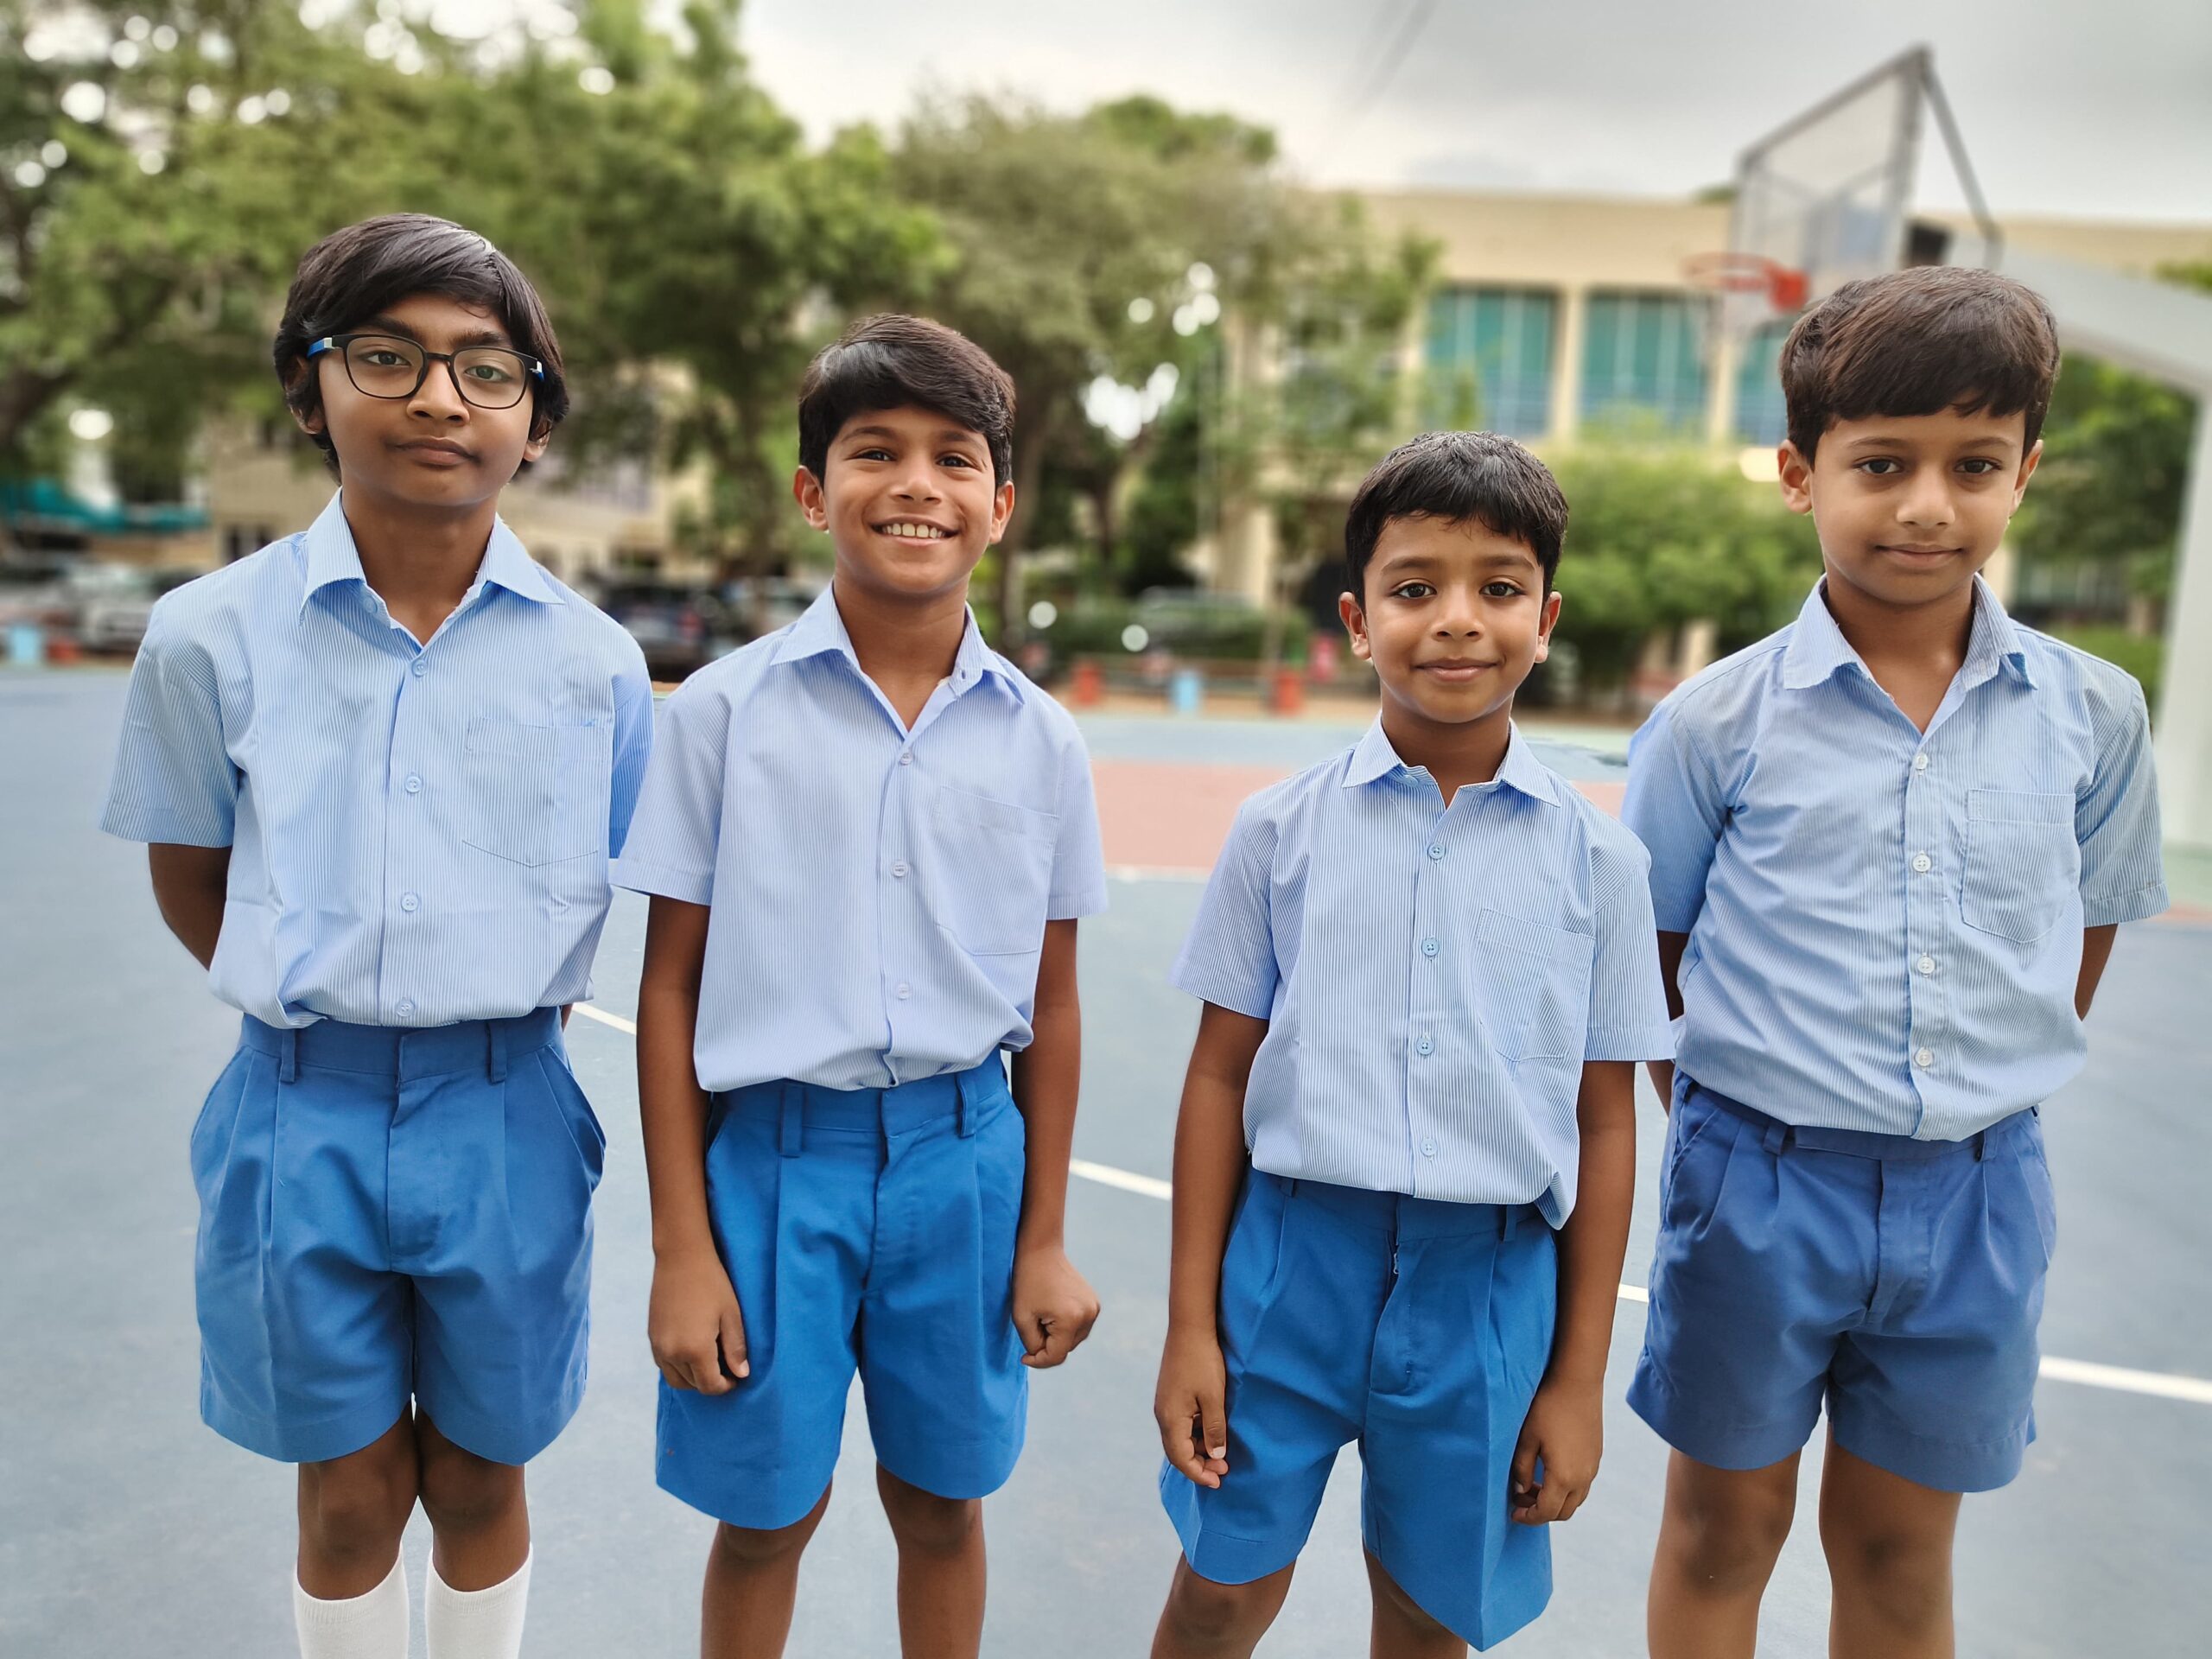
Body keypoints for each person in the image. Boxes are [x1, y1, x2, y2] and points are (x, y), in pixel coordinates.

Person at [99, 213, 653, 1659]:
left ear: (534, 420)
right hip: (301, 1107)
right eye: (388, 357)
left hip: (507, 1107)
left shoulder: (596, 665)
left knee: (480, 1474)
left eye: (487, 369)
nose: (437, 400)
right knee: (347, 1494)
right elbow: (193, 876)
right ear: (310, 386)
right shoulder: (206, 636)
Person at [1625, 265, 2169, 1659]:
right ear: (1802, 474)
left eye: (1974, 464)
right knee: (1720, 1531)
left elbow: (2085, 926)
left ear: (2025, 474)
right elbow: (1657, 950)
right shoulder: (1715, 723)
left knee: (1899, 1549)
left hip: (1980, 1194)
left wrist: (1974, 1086)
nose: (1930, 501)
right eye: (1884, 463)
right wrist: (1739, 1128)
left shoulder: (2093, 715)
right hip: (1760, 1180)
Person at [617, 314, 1109, 1659]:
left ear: (998, 505)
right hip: (775, 1168)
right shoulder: (720, 715)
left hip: (966, 1165)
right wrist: (681, 1250)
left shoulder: (1042, 741)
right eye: (873, 451)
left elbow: (1052, 1007)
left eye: (955, 458)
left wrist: (1045, 1231)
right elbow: (668, 992)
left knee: (942, 1507)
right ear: (809, 489)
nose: (915, 484)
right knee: (767, 1518)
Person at [1148, 431, 1673, 1656]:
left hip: (1487, 1283)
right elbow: (1219, 1073)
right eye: (1414, 587)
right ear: (1357, 614)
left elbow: (1605, 1119)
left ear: (1548, 619)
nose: (1456, 620)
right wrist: (1189, 1327)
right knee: (1223, 1588)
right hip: (1288, 1261)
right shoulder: (1278, 831)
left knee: (1431, 1615)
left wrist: (1578, 1378)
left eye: (1498, 589)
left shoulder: (1603, 863)